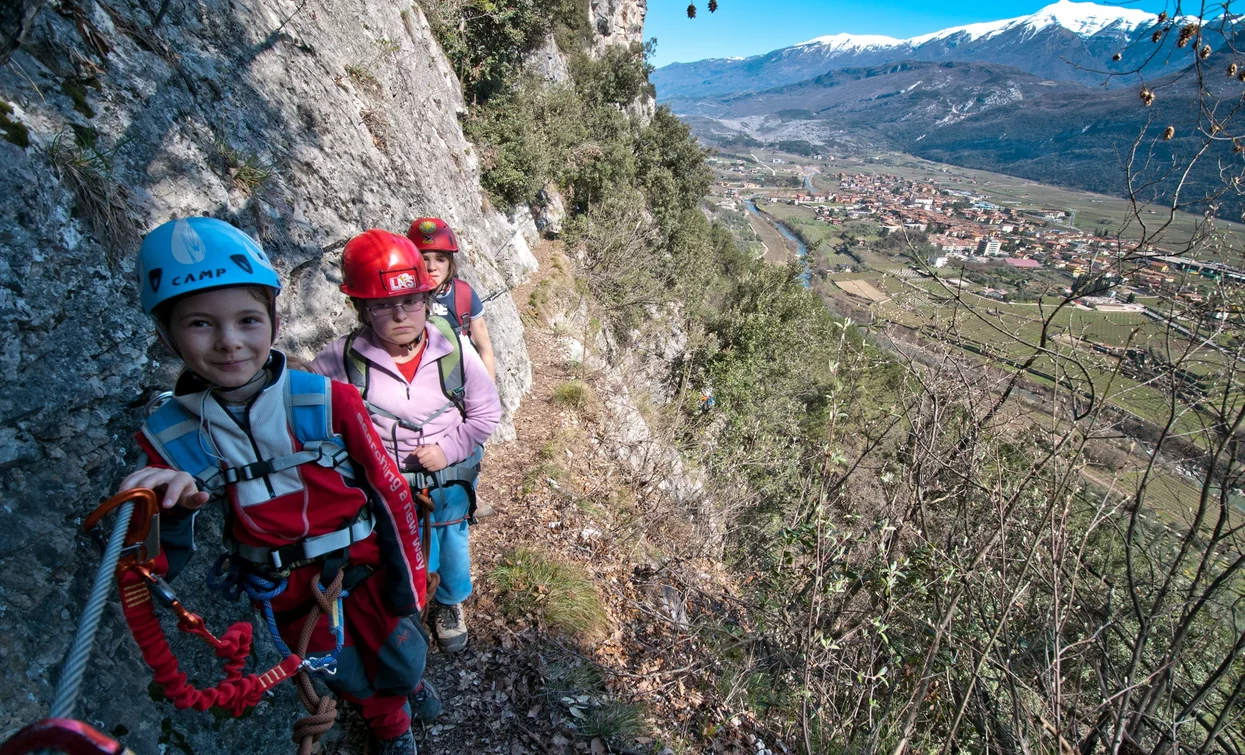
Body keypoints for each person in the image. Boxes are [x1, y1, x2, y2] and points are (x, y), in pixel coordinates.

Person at [118, 217, 437, 755]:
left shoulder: (327, 400)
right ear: (165, 335)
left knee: (402, 654)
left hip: (367, 571)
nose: (229, 342)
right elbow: (162, 563)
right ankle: (391, 725)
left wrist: (413, 583)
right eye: (200, 324)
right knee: (340, 671)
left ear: (273, 319)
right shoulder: (170, 440)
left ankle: (405, 695)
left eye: (248, 319)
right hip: (285, 592)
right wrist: (168, 506)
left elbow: (389, 490)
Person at [311, 229, 501, 654]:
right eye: (383, 305)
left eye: (410, 301)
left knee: (451, 540)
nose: (401, 315)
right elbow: (304, 408)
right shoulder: (341, 359)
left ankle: (450, 601)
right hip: (385, 485)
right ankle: (415, 599)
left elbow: (487, 413)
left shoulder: (453, 346)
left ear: (426, 300)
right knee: (401, 545)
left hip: (446, 478)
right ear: (362, 308)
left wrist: (448, 450)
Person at [407, 217, 496, 383]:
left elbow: (484, 347)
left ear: (450, 263)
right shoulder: (403, 299)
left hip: (460, 383)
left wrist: (490, 393)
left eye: (440, 259)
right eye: (424, 258)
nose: (432, 266)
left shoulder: (463, 294)